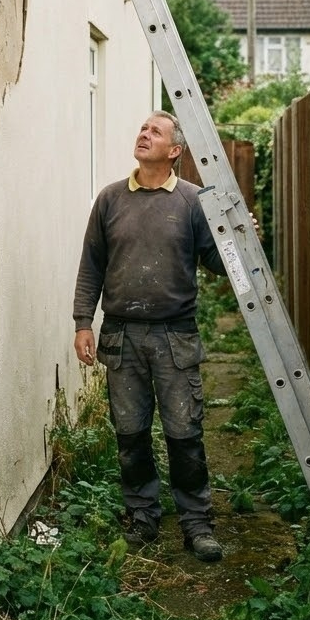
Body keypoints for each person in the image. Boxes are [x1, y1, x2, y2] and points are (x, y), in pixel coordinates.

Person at [73, 110, 226, 562]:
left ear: (174, 151)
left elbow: (217, 264)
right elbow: (91, 265)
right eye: (143, 128)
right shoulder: (110, 199)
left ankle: (197, 524)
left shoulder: (192, 202)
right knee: (131, 434)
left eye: (154, 132)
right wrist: (83, 322)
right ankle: (142, 517)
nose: (143, 134)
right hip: (121, 337)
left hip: (175, 337)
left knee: (184, 432)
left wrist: (237, 236)